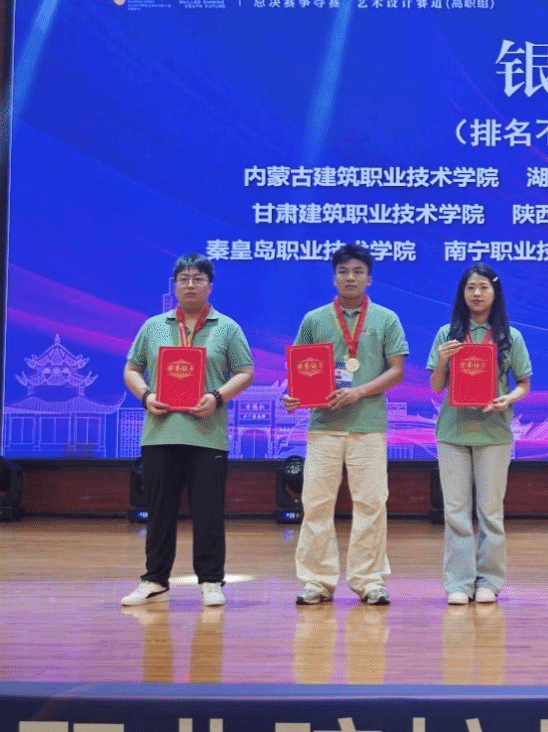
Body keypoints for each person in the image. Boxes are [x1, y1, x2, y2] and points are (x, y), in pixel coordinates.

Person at [121, 253, 254, 607]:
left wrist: (217, 396)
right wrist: (146, 396)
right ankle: (154, 579)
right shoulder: (153, 326)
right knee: (159, 512)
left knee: (208, 512)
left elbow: (245, 372)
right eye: (184, 279)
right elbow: (131, 369)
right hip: (160, 433)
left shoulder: (227, 328)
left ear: (210, 286)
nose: (190, 285)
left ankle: (210, 580)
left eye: (198, 279)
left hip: (207, 434)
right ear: (175, 285)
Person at [283, 244, 408, 606]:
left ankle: (369, 580)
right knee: (316, 505)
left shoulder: (386, 319)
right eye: (343, 271)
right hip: (324, 426)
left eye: (357, 271)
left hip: (368, 425)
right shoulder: (314, 320)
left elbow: (397, 370)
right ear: (334, 277)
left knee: (371, 504)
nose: (350, 277)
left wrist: (358, 393)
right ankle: (317, 581)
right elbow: (301, 369)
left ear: (369, 278)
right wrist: (294, 397)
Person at [427, 263, 532, 605]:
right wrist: (442, 360)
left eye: (483, 287)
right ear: (462, 293)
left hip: (494, 433)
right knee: (456, 513)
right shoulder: (447, 334)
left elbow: (524, 384)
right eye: (470, 287)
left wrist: (508, 399)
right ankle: (459, 583)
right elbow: (436, 386)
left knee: (490, 513)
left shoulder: (510, 337)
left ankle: (489, 581)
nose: (476, 293)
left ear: (495, 293)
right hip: (453, 432)